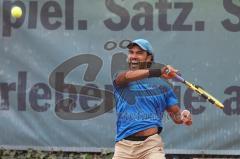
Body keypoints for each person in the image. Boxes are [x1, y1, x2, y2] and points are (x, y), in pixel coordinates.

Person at [112, 39, 192, 159]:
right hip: (123, 147)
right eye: (131, 52)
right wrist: (159, 71)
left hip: (151, 147)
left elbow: (175, 115)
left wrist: (183, 116)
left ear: (149, 57)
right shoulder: (121, 76)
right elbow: (124, 77)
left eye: (139, 53)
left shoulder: (163, 86)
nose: (133, 56)